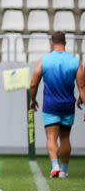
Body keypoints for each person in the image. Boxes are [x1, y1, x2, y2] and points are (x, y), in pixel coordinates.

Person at [29, 32, 85, 179]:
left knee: (51, 137)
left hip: (51, 105)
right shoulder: (75, 61)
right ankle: (64, 171)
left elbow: (34, 83)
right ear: (65, 42)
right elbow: (82, 86)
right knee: (65, 138)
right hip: (68, 105)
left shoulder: (45, 60)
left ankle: (55, 166)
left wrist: (32, 100)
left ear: (51, 43)